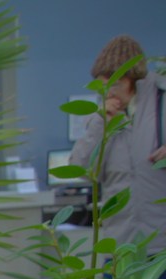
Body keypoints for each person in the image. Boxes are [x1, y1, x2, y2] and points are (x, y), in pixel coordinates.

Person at [69, 35, 166, 257]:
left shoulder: (161, 100)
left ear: (134, 80)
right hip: (120, 243)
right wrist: (100, 124)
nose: (110, 92)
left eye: (117, 83)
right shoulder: (100, 116)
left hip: (161, 241)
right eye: (104, 86)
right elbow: (82, 170)